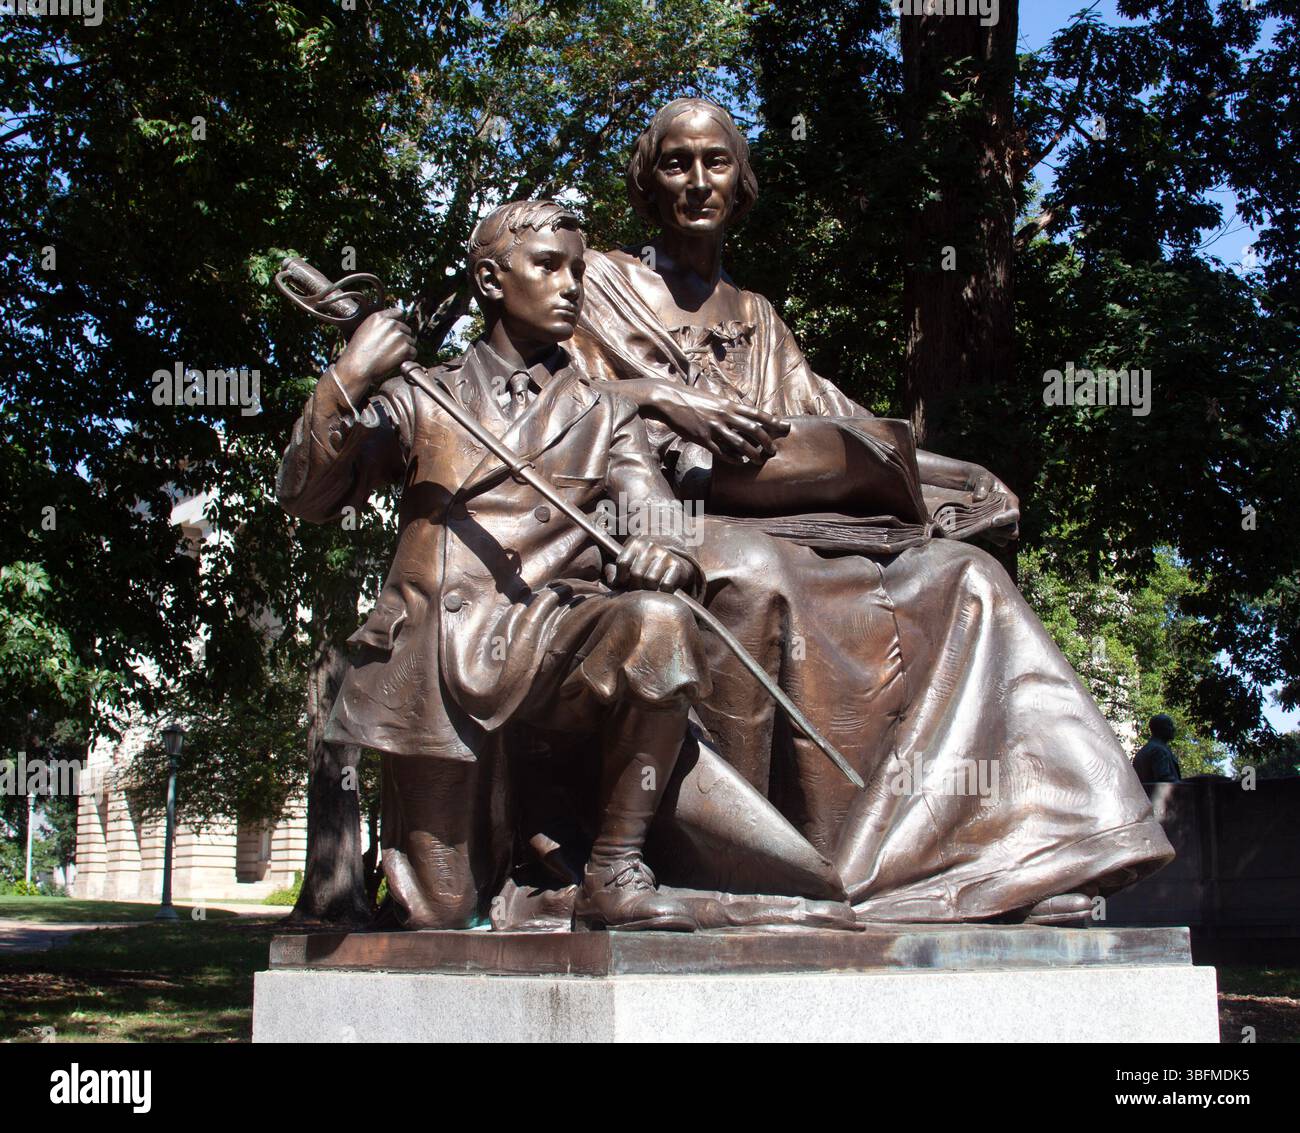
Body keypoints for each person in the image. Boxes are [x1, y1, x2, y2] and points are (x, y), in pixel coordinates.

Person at [568, 98, 1174, 924]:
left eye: (716, 162)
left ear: (741, 183)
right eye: (677, 163)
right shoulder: (601, 285)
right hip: (660, 518)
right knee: (751, 576)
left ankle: (1006, 859)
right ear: (647, 183)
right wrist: (666, 400)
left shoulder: (757, 318)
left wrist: (957, 475)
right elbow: (551, 394)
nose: (698, 181)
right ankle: (762, 870)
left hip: (790, 519)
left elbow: (840, 424)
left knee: (965, 575)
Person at [277, 200, 714, 931]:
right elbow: (307, 494)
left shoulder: (604, 412)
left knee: (659, 623)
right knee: (440, 911)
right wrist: (350, 377)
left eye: (577, 268)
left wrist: (663, 552)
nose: (571, 284)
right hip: (437, 657)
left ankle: (614, 869)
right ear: (488, 279)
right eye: (548, 265)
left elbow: (661, 516)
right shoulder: (422, 395)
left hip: (552, 636)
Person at [1133, 715, 1182, 783]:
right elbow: (1165, 780)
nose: (1173, 729)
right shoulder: (1159, 750)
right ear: (1160, 728)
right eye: (1170, 725)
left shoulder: (1144, 750)